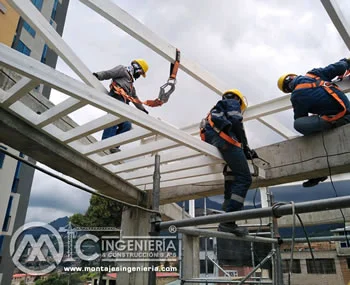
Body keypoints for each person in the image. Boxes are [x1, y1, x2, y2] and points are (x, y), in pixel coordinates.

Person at [277, 58, 350, 187]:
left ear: (287, 90)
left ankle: (318, 172)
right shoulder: (314, 74)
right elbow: (339, 67)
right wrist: (346, 61)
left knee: (299, 125)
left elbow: (301, 122)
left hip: (338, 118)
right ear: (293, 76)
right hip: (346, 110)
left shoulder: (296, 97)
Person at [200, 89, 258, 236]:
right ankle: (228, 222)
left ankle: (228, 212)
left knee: (232, 175)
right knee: (245, 179)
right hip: (225, 141)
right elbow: (236, 122)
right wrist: (245, 147)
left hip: (216, 142)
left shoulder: (213, 112)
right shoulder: (232, 102)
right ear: (239, 100)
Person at [93, 59, 149, 153]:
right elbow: (109, 73)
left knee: (127, 125)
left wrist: (143, 110)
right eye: (140, 73)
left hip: (123, 104)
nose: (139, 76)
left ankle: (114, 146)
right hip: (116, 97)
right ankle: (106, 143)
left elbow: (135, 98)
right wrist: (98, 75)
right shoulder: (122, 70)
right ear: (137, 68)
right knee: (114, 120)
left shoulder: (131, 85)